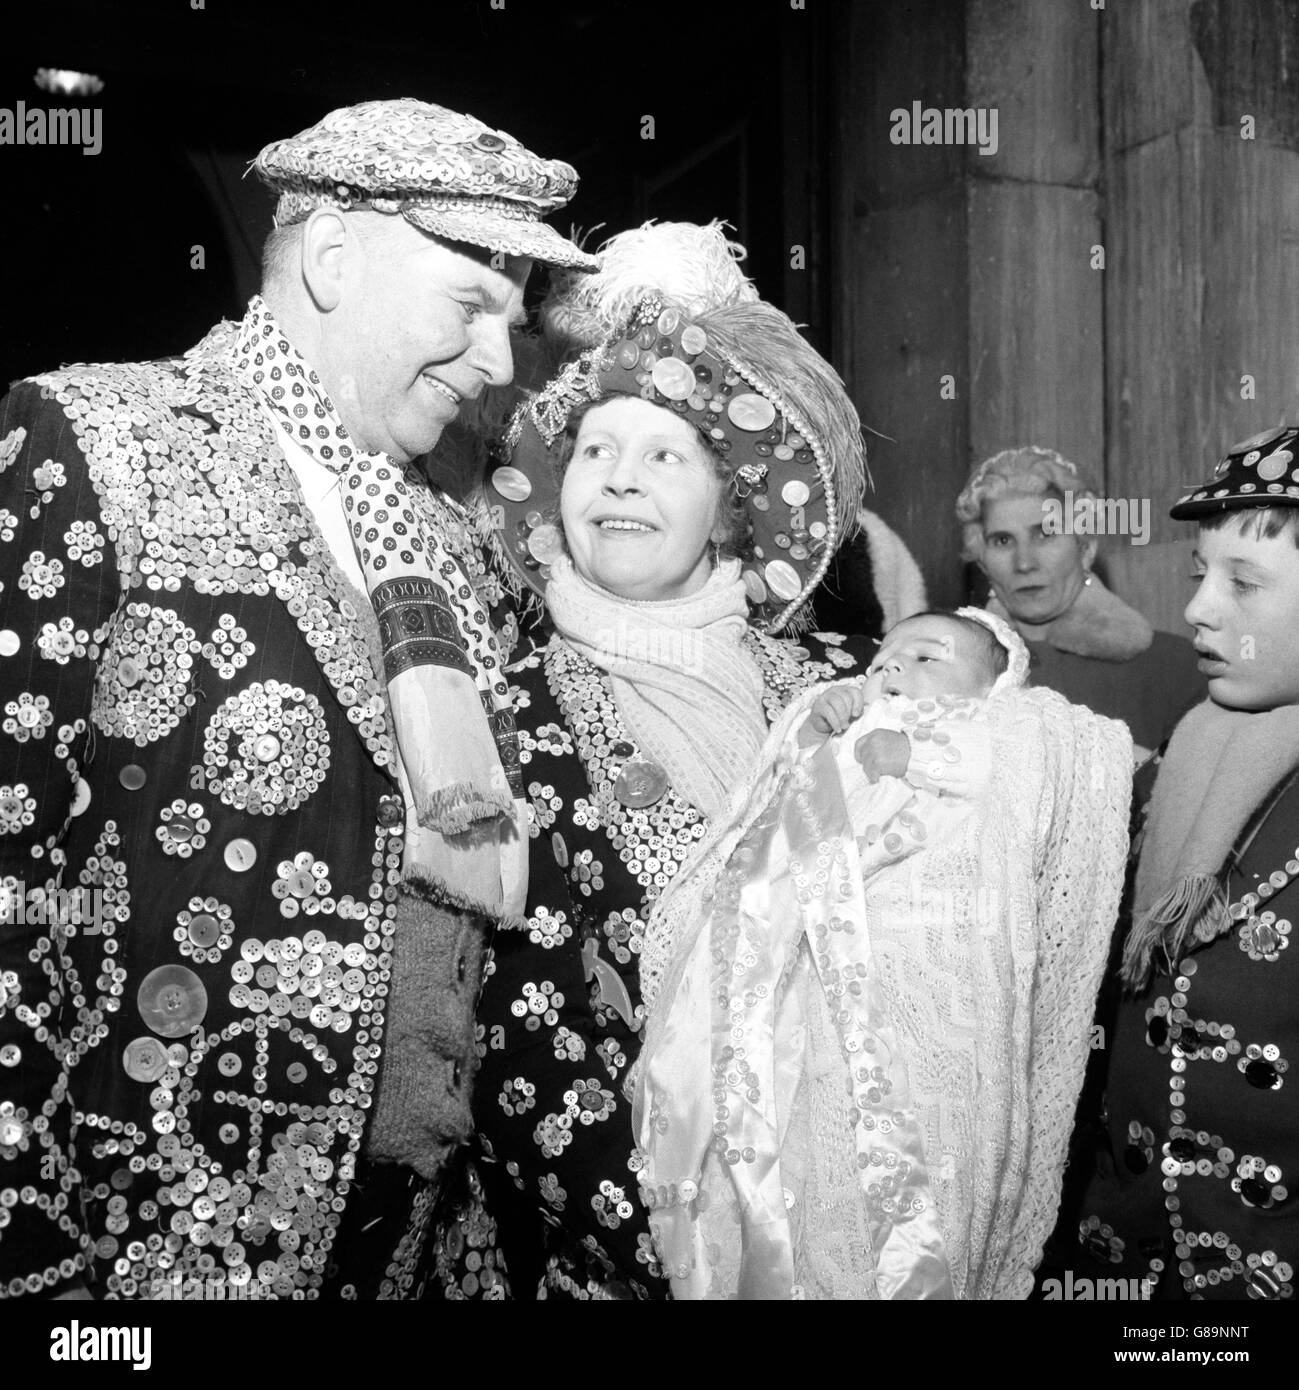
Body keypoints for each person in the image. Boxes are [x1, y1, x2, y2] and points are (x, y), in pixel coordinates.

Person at [0, 97, 596, 1301]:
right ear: (332, 257)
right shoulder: (100, 439)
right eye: (472, 306)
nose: (499, 362)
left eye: (513, 322)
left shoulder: (459, 534)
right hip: (139, 1248)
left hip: (426, 1246)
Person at [434, 221, 878, 1299]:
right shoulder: (505, 719)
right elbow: (518, 1051)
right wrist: (695, 1249)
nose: (619, 482)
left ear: (731, 507)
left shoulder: (853, 691)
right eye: (595, 452)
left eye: (663, 455)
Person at [633, 605, 1132, 1299]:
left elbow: (1010, 786)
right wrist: (814, 727)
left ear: (994, 685)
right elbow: (773, 805)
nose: (895, 667)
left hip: (922, 968)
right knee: (801, 1127)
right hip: (813, 960)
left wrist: (918, 754)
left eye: (927, 656)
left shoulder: (998, 727)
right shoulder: (851, 725)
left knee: (915, 1146)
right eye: (883, 660)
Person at [1059, 425, 1299, 1302]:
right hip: (1133, 1260)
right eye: (1200, 574)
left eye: (1243, 582)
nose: (1199, 607)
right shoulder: (1183, 755)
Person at [956, 445, 1202, 761]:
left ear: (1085, 547)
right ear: (982, 562)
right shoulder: (947, 667)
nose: (1024, 563)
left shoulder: (1173, 667)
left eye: (1045, 533)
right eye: (1003, 541)